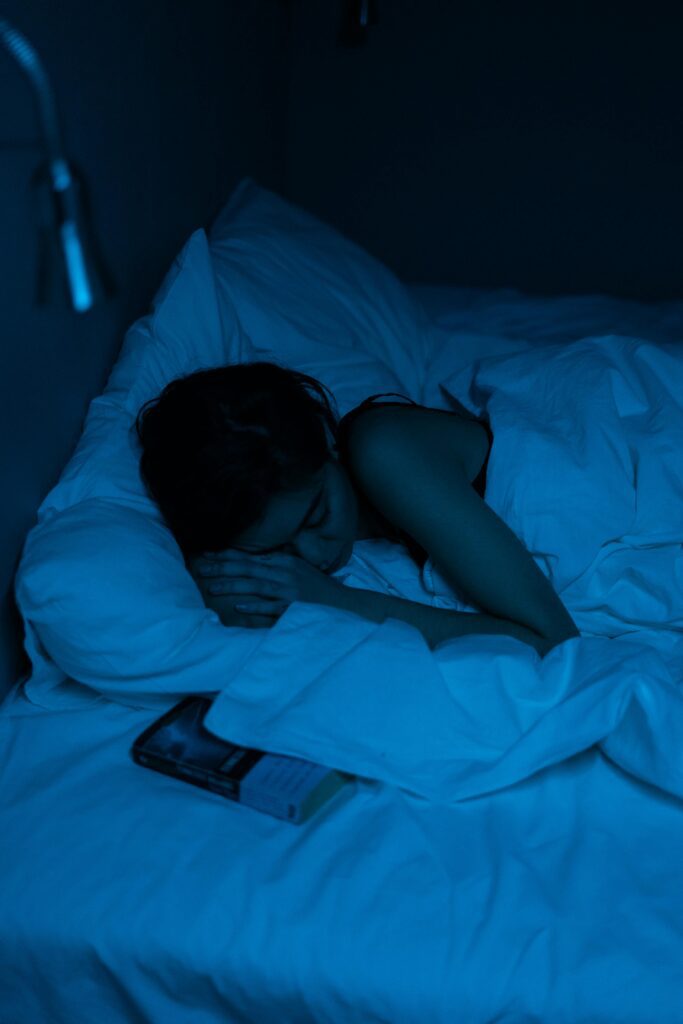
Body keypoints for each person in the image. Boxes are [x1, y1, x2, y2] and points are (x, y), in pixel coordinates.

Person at [135, 361, 579, 656]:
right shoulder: (250, 521)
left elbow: (552, 641)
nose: (312, 555)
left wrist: (340, 601)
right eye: (276, 550)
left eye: (317, 515)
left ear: (328, 443)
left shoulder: (384, 450)